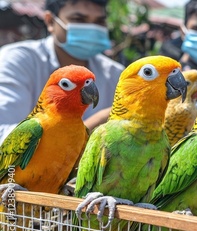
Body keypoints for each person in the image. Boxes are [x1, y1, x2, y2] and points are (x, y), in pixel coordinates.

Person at [0, 0, 124, 144]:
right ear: (51, 21)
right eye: (79, 19)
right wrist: (92, 126)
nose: (91, 28)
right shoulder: (17, 61)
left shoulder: (115, 74)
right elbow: (4, 136)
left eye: (99, 21)